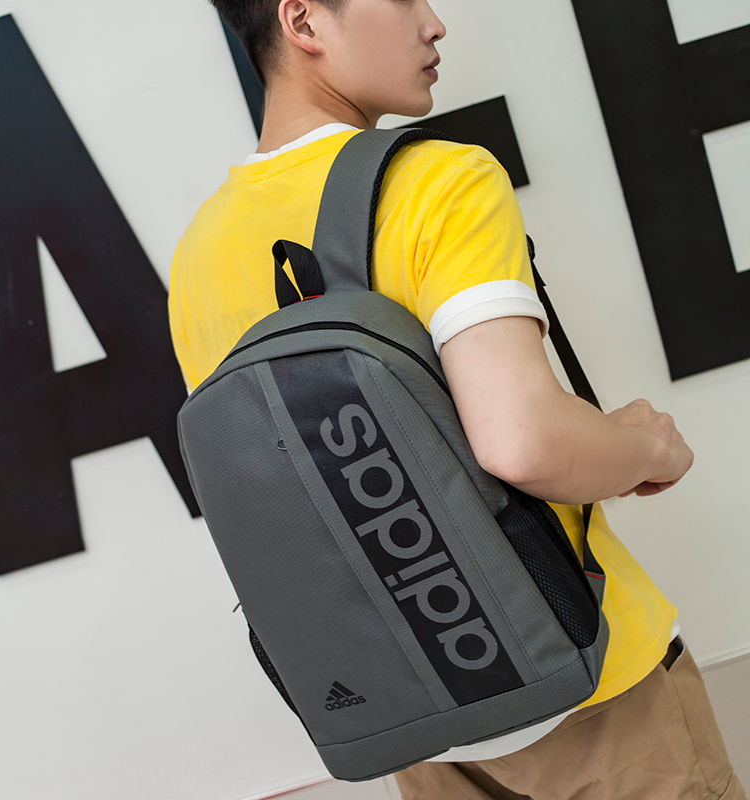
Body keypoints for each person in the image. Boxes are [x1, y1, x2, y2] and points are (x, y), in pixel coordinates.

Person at [167, 2, 745, 798]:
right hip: (586, 680)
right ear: (303, 20)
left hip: (419, 713)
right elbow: (520, 442)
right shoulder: (438, 180)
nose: (434, 22)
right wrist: (646, 446)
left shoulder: (198, 254)